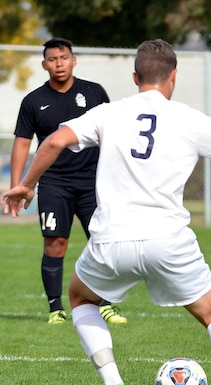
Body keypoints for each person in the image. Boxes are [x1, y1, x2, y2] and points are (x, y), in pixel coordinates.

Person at [2, 39, 211, 385]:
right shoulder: (186, 117)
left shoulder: (109, 113)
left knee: (82, 299)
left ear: (135, 77)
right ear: (174, 77)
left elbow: (53, 140)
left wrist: (27, 184)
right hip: (169, 241)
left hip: (111, 240)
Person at [10, 37, 126, 325]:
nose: (59, 63)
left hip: (92, 182)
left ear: (73, 60)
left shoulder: (94, 92)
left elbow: (112, 133)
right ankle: (55, 309)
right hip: (53, 183)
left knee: (102, 242)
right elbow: (22, 143)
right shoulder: (33, 101)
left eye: (64, 58)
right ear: (44, 64)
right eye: (52, 59)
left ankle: (107, 305)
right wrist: (19, 185)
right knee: (55, 243)